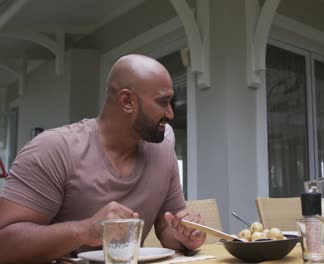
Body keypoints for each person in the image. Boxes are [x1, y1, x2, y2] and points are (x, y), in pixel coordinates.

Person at [0, 54, 206, 263]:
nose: (171, 114)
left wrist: (185, 235)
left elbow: (166, 228)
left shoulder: (162, 152)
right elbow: (4, 245)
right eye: (163, 102)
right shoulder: (53, 149)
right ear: (127, 101)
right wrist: (83, 230)